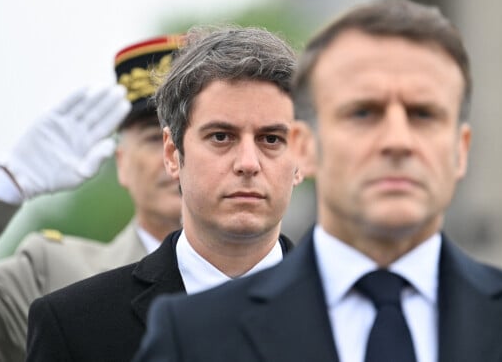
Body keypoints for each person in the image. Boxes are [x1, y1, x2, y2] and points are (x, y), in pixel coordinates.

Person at [134, 0, 502, 362]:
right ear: (306, 145)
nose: (397, 141)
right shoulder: (191, 337)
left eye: (424, 114)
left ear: (461, 148)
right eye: (363, 113)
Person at [25, 25, 304, 362]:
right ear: (172, 154)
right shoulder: (73, 326)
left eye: (271, 139)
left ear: (301, 157)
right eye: (221, 137)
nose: (248, 163)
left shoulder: (367, 312)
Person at [0, 34, 184, 362]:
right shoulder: (51, 275)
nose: (176, 155)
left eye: (213, 135)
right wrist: (5, 187)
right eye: (154, 138)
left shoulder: (291, 274)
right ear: (121, 163)